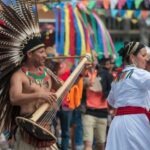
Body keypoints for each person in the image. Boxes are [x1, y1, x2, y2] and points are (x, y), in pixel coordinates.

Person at [0, 1, 62, 150]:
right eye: (41, 52)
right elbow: (14, 99)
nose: (45, 55)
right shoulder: (19, 76)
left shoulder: (47, 72)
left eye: (45, 52)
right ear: (29, 54)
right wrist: (40, 95)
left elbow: (62, 88)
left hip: (47, 129)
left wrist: (80, 73)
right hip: (27, 130)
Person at [106, 41, 150, 150]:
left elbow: (111, 101)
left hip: (117, 123)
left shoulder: (118, 77)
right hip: (136, 123)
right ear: (132, 57)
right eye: (143, 55)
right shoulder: (139, 73)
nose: (146, 59)